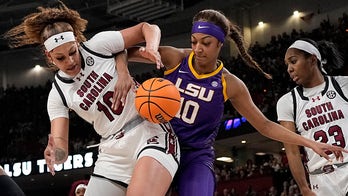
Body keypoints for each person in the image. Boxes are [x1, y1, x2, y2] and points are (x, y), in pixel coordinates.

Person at [126, 9, 348, 196]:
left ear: (220, 44)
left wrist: (310, 143)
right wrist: (123, 72)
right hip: (161, 145)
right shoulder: (174, 58)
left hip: (196, 155)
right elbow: (119, 50)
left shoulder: (230, 83)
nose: (198, 48)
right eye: (194, 41)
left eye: (206, 42)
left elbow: (265, 125)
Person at [4, 1, 179, 196]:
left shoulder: (97, 45)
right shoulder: (57, 94)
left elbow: (148, 28)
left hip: (149, 132)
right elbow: (61, 146)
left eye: (72, 52)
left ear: (77, 43)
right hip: (112, 151)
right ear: (49, 56)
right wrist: (56, 154)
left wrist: (151, 48)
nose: (70, 61)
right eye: (60, 58)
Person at [277, 38, 348, 196]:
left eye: (293, 61)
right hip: (320, 180)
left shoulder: (343, 85)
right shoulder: (287, 102)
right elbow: (292, 151)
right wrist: (304, 188)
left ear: (312, 60)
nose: (289, 69)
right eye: (287, 64)